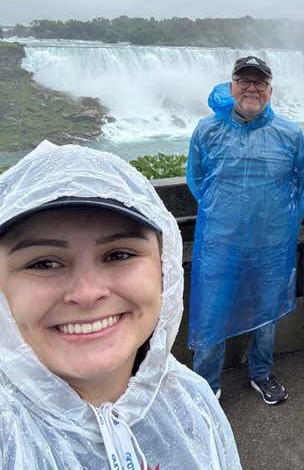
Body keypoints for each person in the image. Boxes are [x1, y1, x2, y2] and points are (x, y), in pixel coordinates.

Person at [0, 142, 241, 469]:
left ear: (164, 268)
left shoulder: (192, 400)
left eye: (119, 255)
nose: (86, 293)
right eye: (44, 263)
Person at [187, 56, 304, 404]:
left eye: (259, 82)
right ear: (232, 87)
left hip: (271, 244)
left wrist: (279, 224)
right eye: (245, 81)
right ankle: (206, 386)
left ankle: (261, 373)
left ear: (270, 91)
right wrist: (226, 215)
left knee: (265, 313)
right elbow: (196, 181)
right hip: (220, 243)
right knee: (212, 313)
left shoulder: (289, 134)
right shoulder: (207, 130)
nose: (251, 88)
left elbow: (302, 185)